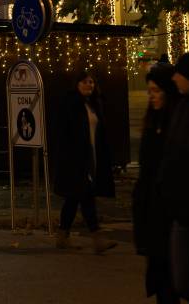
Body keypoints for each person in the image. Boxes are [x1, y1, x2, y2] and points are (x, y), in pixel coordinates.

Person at [53, 69, 116, 253]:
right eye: (85, 82)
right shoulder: (71, 104)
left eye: (91, 82)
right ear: (77, 84)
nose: (89, 85)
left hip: (92, 156)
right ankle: (97, 238)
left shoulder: (94, 104)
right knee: (85, 195)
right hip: (75, 159)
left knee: (74, 198)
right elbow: (64, 133)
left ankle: (62, 236)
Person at [136, 63, 181, 302]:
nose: (151, 96)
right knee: (161, 276)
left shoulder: (178, 122)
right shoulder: (152, 122)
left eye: (156, 91)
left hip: (171, 209)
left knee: (173, 275)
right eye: (149, 91)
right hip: (153, 209)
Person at [161, 49, 189, 301]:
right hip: (181, 209)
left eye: (180, 72)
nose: (175, 77)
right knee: (182, 281)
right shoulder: (183, 108)